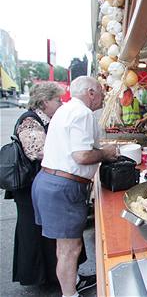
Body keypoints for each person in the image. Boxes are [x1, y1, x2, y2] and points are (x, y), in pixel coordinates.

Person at [32, 76, 118, 297]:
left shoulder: (65, 109)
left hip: (49, 181)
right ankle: (70, 294)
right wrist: (106, 154)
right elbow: (81, 155)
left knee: (64, 247)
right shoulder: (83, 113)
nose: (103, 96)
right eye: (101, 91)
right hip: (64, 186)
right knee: (70, 250)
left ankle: (74, 282)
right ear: (91, 93)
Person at [5, 82, 69, 287]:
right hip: (29, 185)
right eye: (57, 100)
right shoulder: (29, 121)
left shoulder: (45, 119)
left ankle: (50, 275)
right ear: (44, 102)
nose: (61, 103)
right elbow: (39, 152)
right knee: (33, 229)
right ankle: (39, 276)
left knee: (43, 228)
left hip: (37, 182)